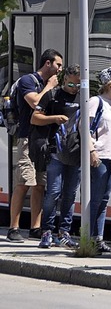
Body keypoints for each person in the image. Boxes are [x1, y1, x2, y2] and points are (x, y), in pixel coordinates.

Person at [6, 48, 63, 243]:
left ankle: (35, 227)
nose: (59, 69)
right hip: (27, 138)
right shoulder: (27, 81)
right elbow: (34, 102)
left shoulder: (51, 84)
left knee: (40, 185)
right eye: (58, 65)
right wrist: (48, 87)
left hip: (43, 141)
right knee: (24, 183)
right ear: (47, 63)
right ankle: (13, 227)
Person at [32, 65, 81, 249]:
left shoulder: (83, 97)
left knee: (70, 194)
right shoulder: (52, 95)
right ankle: (46, 231)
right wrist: (54, 118)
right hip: (56, 150)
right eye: (71, 83)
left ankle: (64, 232)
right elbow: (35, 118)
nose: (74, 88)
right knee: (53, 192)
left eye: (78, 84)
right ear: (65, 78)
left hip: (76, 153)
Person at [88, 66, 111, 254]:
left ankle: (99, 239)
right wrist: (91, 150)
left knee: (104, 199)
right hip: (100, 154)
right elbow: (84, 127)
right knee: (96, 198)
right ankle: (90, 238)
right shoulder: (96, 102)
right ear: (109, 84)